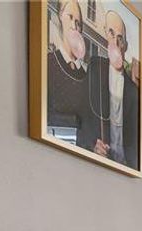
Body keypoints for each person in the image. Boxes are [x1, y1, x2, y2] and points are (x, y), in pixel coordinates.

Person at [80, 10, 139, 170]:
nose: (116, 42)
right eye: (111, 34)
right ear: (106, 34)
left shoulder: (133, 92)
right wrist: (92, 143)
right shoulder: (95, 70)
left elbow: (134, 141)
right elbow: (82, 116)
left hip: (124, 165)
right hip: (98, 162)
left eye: (120, 39)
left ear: (125, 46)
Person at [46, 0, 90, 143]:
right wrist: (74, 121)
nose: (74, 26)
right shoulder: (49, 63)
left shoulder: (86, 76)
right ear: (60, 16)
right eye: (70, 17)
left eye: (78, 23)